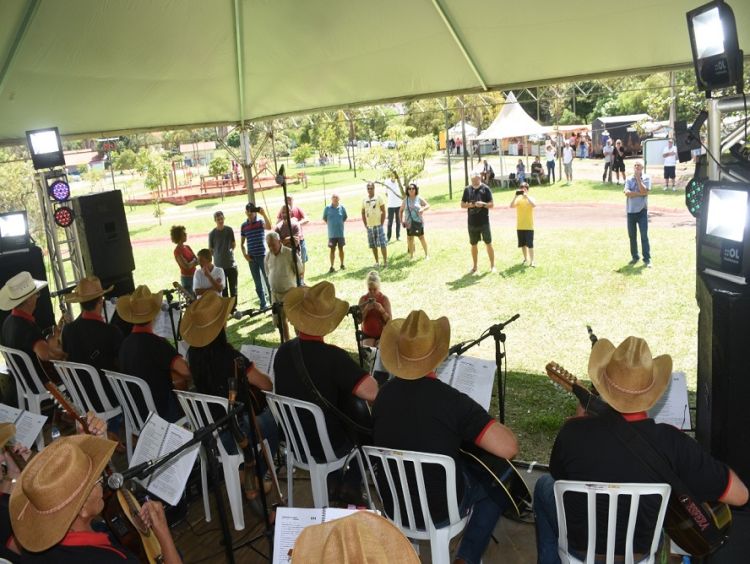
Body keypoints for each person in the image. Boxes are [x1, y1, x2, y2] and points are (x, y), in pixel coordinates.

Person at [534, 337, 748, 564]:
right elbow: (740, 495)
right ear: (652, 394)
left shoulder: (571, 432)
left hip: (579, 549)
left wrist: (580, 419)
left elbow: (559, 475)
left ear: (603, 388)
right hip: (639, 553)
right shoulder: (673, 442)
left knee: (543, 485)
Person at [373, 310, 519, 564]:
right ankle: (467, 557)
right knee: (498, 482)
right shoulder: (452, 402)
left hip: (394, 500)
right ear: (436, 355)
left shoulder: (382, 396)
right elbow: (508, 448)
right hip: (441, 508)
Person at [274, 282, 378, 504]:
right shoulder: (332, 357)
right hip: (326, 446)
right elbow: (372, 392)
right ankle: (350, 481)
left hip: (295, 442)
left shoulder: (282, 352)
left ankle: (334, 480)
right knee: (368, 427)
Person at [9, 435, 182, 563]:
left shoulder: (31, 551)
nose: (103, 482)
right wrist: (163, 532)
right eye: (97, 480)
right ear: (82, 508)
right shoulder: (111, 559)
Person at [181, 292, 278, 502]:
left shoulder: (193, 356)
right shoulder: (231, 358)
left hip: (211, 428)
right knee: (274, 421)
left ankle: (243, 472)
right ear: (221, 325)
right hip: (236, 430)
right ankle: (256, 475)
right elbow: (265, 384)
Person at [117, 285, 191, 423]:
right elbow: (186, 371)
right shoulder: (156, 344)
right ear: (154, 315)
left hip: (136, 412)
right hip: (160, 412)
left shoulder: (125, 344)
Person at [62, 276, 123, 414]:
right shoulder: (111, 331)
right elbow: (122, 364)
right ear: (101, 301)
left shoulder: (68, 329)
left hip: (79, 397)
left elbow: (66, 355)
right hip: (107, 398)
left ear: (81, 303)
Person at [0, 271, 66, 385]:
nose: (37, 297)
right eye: (36, 294)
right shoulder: (26, 328)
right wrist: (68, 352)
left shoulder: (8, 322)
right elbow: (48, 355)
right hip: (39, 384)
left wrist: (57, 334)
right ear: (29, 299)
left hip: (22, 382)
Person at [265, 231, 302, 341]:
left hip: (289, 292)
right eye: (269, 245)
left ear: (279, 241)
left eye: (273, 244)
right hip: (275, 294)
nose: (271, 247)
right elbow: (268, 273)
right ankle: (286, 343)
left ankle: (301, 342)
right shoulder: (267, 256)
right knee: (280, 321)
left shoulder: (289, 253)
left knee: (295, 320)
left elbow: (299, 271)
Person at [461, 171, 495, 274]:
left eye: (476, 180)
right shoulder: (467, 189)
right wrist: (469, 206)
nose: (474, 182)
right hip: (472, 222)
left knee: (488, 243)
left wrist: (483, 204)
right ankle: (475, 267)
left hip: (484, 222)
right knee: (473, 244)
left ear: (480, 179)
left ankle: (492, 266)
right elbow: (462, 204)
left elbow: (492, 204)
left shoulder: (485, 189)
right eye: (472, 180)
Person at [240, 203, 272, 309]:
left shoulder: (260, 222)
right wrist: (245, 254)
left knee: (268, 279)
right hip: (252, 258)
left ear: (255, 212)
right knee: (257, 282)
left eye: (252, 211)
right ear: (245, 212)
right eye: (248, 211)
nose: (250, 213)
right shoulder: (244, 226)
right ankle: (263, 303)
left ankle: (272, 302)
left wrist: (264, 214)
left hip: (262, 256)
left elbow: (269, 227)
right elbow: (241, 243)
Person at [624, 160, 652, 268]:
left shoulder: (647, 178)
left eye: (639, 166)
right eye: (635, 166)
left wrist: (638, 180)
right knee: (632, 236)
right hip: (631, 212)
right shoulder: (628, 179)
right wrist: (639, 194)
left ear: (642, 168)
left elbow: (645, 191)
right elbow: (627, 193)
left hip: (642, 211)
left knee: (644, 235)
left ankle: (647, 259)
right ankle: (635, 257)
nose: (637, 168)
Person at [208, 210, 238, 305]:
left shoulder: (229, 230)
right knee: (223, 289)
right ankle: (226, 308)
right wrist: (218, 256)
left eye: (221, 218)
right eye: (218, 219)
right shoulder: (212, 234)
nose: (220, 221)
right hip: (219, 266)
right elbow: (210, 249)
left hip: (231, 264)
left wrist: (229, 252)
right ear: (215, 220)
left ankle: (233, 307)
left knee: (234, 289)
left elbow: (233, 244)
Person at [357, 271, 392, 348]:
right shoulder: (363, 299)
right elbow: (358, 321)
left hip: (382, 334)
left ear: (379, 288)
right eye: (370, 289)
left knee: (379, 352)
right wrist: (366, 310)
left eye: (375, 289)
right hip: (367, 334)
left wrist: (382, 310)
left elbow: (390, 322)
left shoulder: (384, 299)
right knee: (369, 352)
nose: (372, 292)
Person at [400, 182, 430, 260]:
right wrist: (401, 221)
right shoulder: (405, 200)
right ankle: (411, 256)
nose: (411, 190)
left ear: (415, 190)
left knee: (421, 237)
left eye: (413, 188)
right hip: (409, 223)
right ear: (407, 190)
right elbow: (400, 211)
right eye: (409, 189)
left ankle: (427, 255)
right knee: (410, 238)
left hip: (418, 222)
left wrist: (422, 209)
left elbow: (428, 205)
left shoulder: (418, 198)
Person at [361, 182, 388, 268]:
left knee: (382, 244)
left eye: (371, 188)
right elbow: (362, 212)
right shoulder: (364, 199)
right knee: (373, 245)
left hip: (378, 225)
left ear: (374, 188)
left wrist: (381, 222)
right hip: (370, 226)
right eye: (368, 188)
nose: (370, 190)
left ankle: (385, 262)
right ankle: (377, 262)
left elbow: (383, 211)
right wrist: (365, 224)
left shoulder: (378, 197)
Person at [510, 182, 537, 267]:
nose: (523, 189)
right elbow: (511, 206)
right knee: (522, 244)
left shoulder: (531, 198)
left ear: (528, 189)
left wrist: (527, 196)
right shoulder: (518, 199)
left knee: (530, 244)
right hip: (520, 226)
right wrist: (515, 196)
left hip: (529, 226)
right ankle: (526, 258)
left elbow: (534, 205)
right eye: (521, 188)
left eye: (525, 188)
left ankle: (532, 261)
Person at [278, 195, 310, 265]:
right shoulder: (282, 210)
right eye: (286, 200)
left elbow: (306, 219)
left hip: (299, 238)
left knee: (302, 260)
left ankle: (302, 276)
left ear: (293, 200)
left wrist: (297, 223)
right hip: (287, 242)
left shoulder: (297, 208)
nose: (288, 201)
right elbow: (278, 222)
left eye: (289, 199)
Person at [323, 193, 347, 273]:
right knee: (332, 250)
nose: (335, 199)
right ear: (331, 199)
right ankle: (332, 266)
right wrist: (331, 224)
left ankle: (342, 264)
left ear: (339, 199)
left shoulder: (342, 208)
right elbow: (325, 218)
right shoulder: (327, 208)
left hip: (340, 233)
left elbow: (345, 217)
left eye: (336, 197)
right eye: (333, 197)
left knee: (341, 249)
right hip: (331, 234)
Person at [170, 225, 197, 295]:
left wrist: (193, 262)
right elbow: (186, 266)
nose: (186, 235)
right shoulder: (177, 251)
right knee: (192, 300)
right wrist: (193, 261)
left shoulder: (187, 247)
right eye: (184, 234)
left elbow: (198, 261)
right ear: (179, 237)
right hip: (187, 279)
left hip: (195, 275)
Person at [384, 173, 402, 242]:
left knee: (398, 221)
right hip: (391, 205)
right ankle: (388, 237)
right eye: (392, 175)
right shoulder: (387, 182)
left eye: (394, 175)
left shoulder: (399, 182)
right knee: (390, 222)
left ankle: (398, 236)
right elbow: (386, 194)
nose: (393, 176)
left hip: (398, 205)